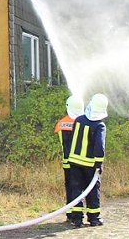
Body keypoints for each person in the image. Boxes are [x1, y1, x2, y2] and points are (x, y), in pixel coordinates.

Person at [66, 93, 108, 227]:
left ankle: (77, 218)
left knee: (76, 189)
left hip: (74, 162)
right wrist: (99, 163)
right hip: (89, 164)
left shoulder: (78, 120)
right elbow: (99, 147)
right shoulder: (100, 126)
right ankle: (94, 218)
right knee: (92, 190)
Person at [56, 95, 86, 224]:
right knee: (82, 187)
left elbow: (64, 144)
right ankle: (80, 215)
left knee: (70, 187)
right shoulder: (84, 122)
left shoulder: (62, 123)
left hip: (68, 162)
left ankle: (71, 214)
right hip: (82, 161)